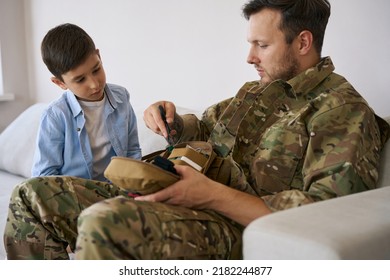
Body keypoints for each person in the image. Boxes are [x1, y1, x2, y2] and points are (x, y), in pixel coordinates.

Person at [3, 0, 389, 260]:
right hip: (177, 192)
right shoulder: (256, 90)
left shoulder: (341, 110)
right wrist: (172, 119)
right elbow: (204, 123)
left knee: (104, 222)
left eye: (261, 44)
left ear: (303, 42)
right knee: (31, 196)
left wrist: (211, 195)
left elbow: (327, 212)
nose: (249, 56)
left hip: (229, 223)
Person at [32, 23, 141, 181]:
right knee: (27, 191)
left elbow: (132, 152)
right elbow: (44, 176)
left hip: (117, 189)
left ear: (99, 56)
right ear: (60, 83)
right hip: (74, 194)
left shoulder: (122, 97)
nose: (94, 84)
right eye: (80, 79)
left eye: (96, 69)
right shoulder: (55, 116)